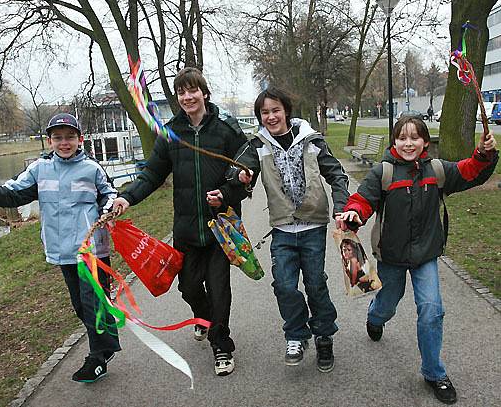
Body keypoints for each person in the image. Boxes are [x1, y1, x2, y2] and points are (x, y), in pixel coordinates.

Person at [336, 116, 498, 404]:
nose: (408, 143)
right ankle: (375, 318)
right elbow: (362, 200)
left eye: (414, 137)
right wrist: (353, 213)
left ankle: (434, 373)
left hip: (426, 254)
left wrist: (484, 154)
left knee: (432, 310)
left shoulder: (436, 170)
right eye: (402, 137)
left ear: (425, 142)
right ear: (394, 141)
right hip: (392, 256)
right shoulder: (383, 172)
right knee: (387, 304)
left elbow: (470, 170)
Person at [0, 113, 123, 383]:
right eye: (58, 138)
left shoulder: (92, 168)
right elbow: (13, 192)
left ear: (80, 139)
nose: (64, 143)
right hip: (62, 251)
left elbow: (109, 194)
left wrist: (110, 209)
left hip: (91, 251)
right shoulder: (39, 169)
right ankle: (104, 347)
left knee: (93, 302)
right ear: (50, 141)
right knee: (80, 305)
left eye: (70, 137)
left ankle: (99, 356)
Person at [114, 67, 248, 376]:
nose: (188, 97)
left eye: (193, 90)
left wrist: (227, 193)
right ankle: (203, 318)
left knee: (219, 289)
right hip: (186, 229)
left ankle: (221, 345)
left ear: (204, 93)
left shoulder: (226, 128)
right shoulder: (171, 133)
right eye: (182, 92)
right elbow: (151, 174)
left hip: (220, 228)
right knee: (188, 287)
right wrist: (127, 197)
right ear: (178, 98)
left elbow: (245, 166)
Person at [232, 86, 350, 373]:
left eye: (275, 110)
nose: (271, 116)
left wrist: (341, 206)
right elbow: (239, 172)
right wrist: (242, 177)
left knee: (314, 283)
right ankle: (296, 335)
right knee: (284, 285)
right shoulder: (257, 145)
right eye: (264, 112)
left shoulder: (311, 140)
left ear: (286, 110)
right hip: (283, 229)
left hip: (313, 226)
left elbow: (336, 173)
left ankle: (323, 335)